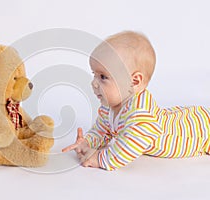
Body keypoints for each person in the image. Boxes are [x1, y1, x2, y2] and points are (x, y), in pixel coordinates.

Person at [62, 31, 210, 171]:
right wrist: (87, 142)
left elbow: (126, 149)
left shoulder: (140, 116)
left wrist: (98, 158)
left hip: (201, 129)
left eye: (103, 77)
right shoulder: (110, 107)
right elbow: (102, 131)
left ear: (134, 81)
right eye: (94, 74)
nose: (94, 83)